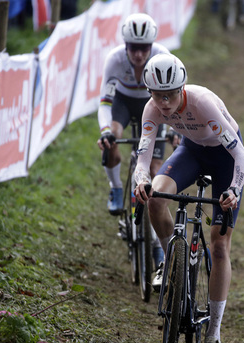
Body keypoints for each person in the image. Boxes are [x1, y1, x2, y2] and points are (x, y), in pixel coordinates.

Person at [134, 54, 244, 343]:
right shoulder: (151, 109)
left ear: (182, 88)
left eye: (171, 95)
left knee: (219, 243)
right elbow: (143, 158)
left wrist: (233, 189)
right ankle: (173, 262)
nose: (165, 103)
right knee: (156, 198)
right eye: (158, 96)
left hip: (225, 158)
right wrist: (142, 180)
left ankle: (214, 332)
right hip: (191, 151)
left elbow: (242, 157)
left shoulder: (202, 104)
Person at [97, 13, 169, 267]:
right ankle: (116, 186)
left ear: (152, 46)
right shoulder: (114, 59)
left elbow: (173, 100)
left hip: (153, 104)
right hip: (124, 103)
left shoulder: (163, 56)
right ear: (125, 46)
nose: (139, 55)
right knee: (113, 137)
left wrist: (175, 131)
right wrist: (106, 130)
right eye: (134, 48)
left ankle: (157, 243)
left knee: (156, 172)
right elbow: (105, 102)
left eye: (144, 48)